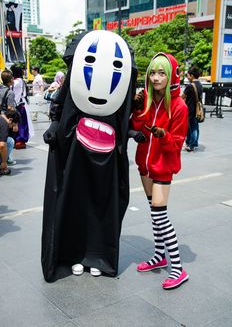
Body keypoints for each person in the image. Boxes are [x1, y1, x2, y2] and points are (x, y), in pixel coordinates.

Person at [41, 30, 137, 282]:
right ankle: (73, 255)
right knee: (75, 201)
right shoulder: (74, 82)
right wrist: (54, 126)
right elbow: (59, 105)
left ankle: (98, 256)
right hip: (75, 151)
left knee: (101, 205)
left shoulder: (122, 89)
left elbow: (125, 116)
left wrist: (132, 133)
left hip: (107, 155)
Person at [131, 53, 189, 290]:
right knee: (154, 213)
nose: (155, 78)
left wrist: (163, 136)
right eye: (152, 72)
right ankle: (159, 256)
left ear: (171, 75)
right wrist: (135, 111)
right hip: (144, 166)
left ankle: (177, 268)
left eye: (161, 73)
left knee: (160, 216)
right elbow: (137, 129)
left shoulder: (179, 106)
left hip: (163, 168)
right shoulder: (146, 99)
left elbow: (177, 144)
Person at [11, 65, 34, 149]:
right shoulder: (19, 81)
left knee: (20, 123)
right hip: (20, 103)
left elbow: (15, 95)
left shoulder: (17, 82)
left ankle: (20, 140)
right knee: (20, 122)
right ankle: (18, 140)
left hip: (18, 104)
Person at [182, 66, 203, 152]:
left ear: (192, 75)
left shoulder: (190, 86)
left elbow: (183, 97)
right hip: (197, 110)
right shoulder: (200, 85)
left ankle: (191, 145)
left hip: (190, 110)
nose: (187, 77)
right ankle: (193, 143)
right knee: (195, 126)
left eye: (188, 75)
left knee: (192, 127)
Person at [0, 110, 20, 176]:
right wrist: (4, 162)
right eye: (14, 124)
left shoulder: (1, 118)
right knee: (9, 141)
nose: (12, 127)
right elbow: (2, 146)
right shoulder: (4, 124)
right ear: (10, 119)